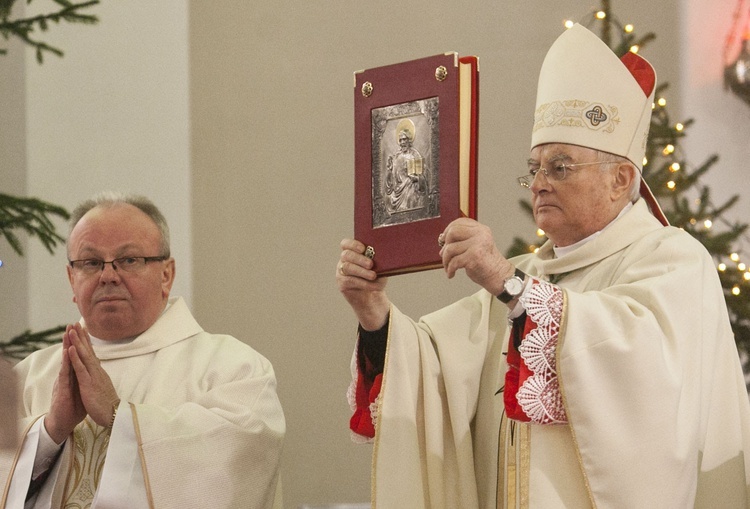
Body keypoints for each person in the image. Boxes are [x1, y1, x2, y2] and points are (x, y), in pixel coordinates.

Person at [337, 24, 750, 508]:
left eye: (560, 167)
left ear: (620, 179)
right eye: (535, 169)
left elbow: (646, 383)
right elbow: (427, 371)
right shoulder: (522, 273)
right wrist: (372, 310)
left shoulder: (672, 260)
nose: (538, 184)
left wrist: (507, 283)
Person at [1, 192, 285, 509]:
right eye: (91, 263)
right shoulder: (29, 375)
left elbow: (239, 463)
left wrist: (119, 416)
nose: (108, 276)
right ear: (72, 279)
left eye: (129, 260)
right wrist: (51, 430)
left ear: (167, 274)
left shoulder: (232, 367)